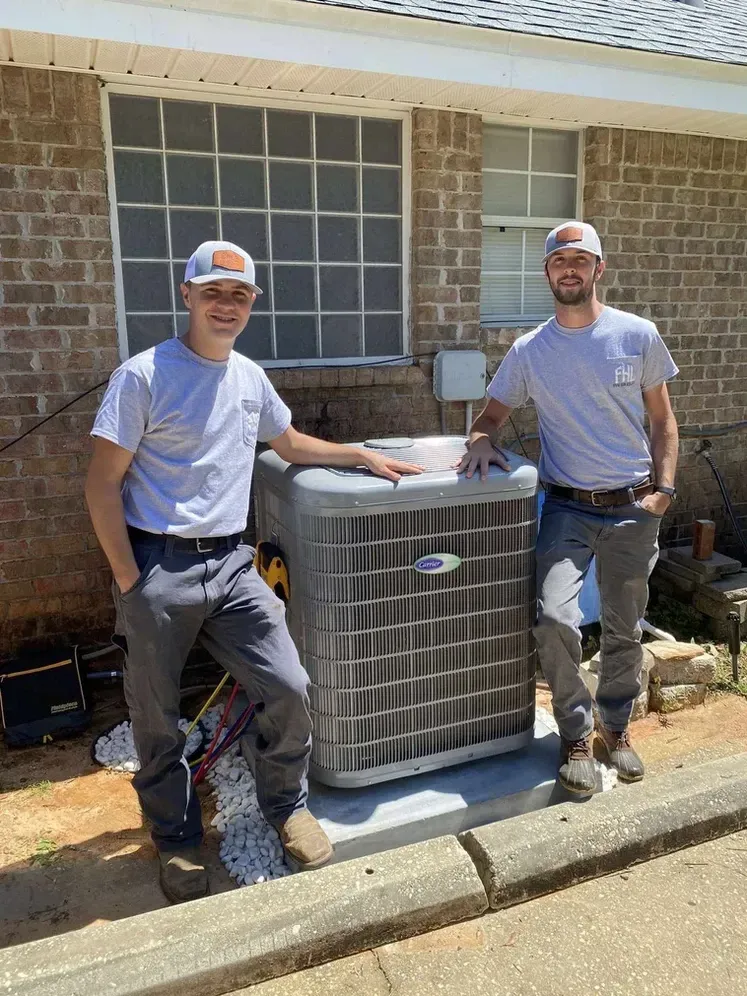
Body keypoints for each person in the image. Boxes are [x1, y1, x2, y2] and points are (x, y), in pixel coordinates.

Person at [85, 240, 421, 903]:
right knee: (155, 715)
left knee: (290, 684)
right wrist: (130, 581)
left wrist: (358, 454)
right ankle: (178, 840)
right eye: (213, 292)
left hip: (232, 563)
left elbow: (289, 443)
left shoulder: (247, 376)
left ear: (251, 306)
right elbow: (101, 485)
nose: (226, 305)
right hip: (159, 564)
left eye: (239, 296)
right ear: (186, 295)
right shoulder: (145, 376)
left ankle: (285, 807)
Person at [459, 222, 679, 794]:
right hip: (566, 508)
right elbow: (488, 418)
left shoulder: (638, 335)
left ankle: (617, 726)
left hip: (634, 506)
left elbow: (663, 420)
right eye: (560, 261)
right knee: (554, 617)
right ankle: (575, 731)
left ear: (598, 269)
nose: (570, 269)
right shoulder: (531, 351)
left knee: (624, 628)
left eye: (581, 260)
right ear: (548, 274)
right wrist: (481, 439)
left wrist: (664, 491)